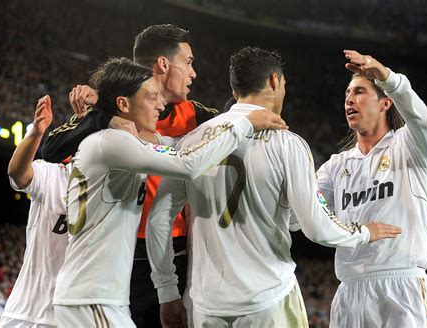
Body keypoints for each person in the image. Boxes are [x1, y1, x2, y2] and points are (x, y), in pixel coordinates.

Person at [146, 46, 402, 327]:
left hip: (205, 305)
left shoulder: (191, 142)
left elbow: (158, 221)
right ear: (273, 81)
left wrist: (167, 290)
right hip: (269, 300)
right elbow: (317, 227)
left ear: (235, 92)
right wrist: (365, 232)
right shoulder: (287, 144)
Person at [52, 56, 287, 327]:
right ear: (123, 104)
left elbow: (179, 146)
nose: (161, 105)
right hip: (90, 298)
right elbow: (187, 164)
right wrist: (244, 123)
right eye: (152, 98)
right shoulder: (111, 143)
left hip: (97, 297)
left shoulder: (120, 142)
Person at [41, 24, 217, 327]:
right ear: (163, 63)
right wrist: (103, 115)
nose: (193, 73)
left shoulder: (194, 115)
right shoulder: (108, 112)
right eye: (188, 62)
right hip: (117, 257)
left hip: (175, 250)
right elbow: (50, 150)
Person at [316, 50, 427, 327]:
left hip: (402, 284)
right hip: (350, 289)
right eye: (347, 93)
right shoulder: (336, 166)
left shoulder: (409, 146)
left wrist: (386, 76)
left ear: (385, 103)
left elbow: (420, 118)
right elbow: (310, 206)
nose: (349, 99)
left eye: (359, 91)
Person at [0, 96, 70, 328]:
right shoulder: (52, 173)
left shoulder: (112, 184)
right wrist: (37, 133)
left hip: (71, 317)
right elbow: (17, 173)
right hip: (25, 313)